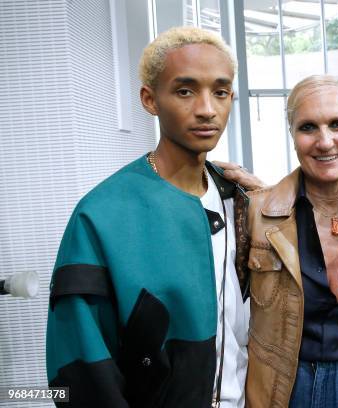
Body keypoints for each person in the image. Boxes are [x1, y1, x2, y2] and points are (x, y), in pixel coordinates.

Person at [46, 27, 260, 407]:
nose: (207, 108)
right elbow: (81, 367)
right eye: (185, 90)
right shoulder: (102, 215)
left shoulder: (240, 201)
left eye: (221, 91)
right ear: (150, 99)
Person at [245, 75, 338, 408]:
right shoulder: (254, 212)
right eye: (308, 128)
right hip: (280, 388)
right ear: (293, 136)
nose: (325, 141)